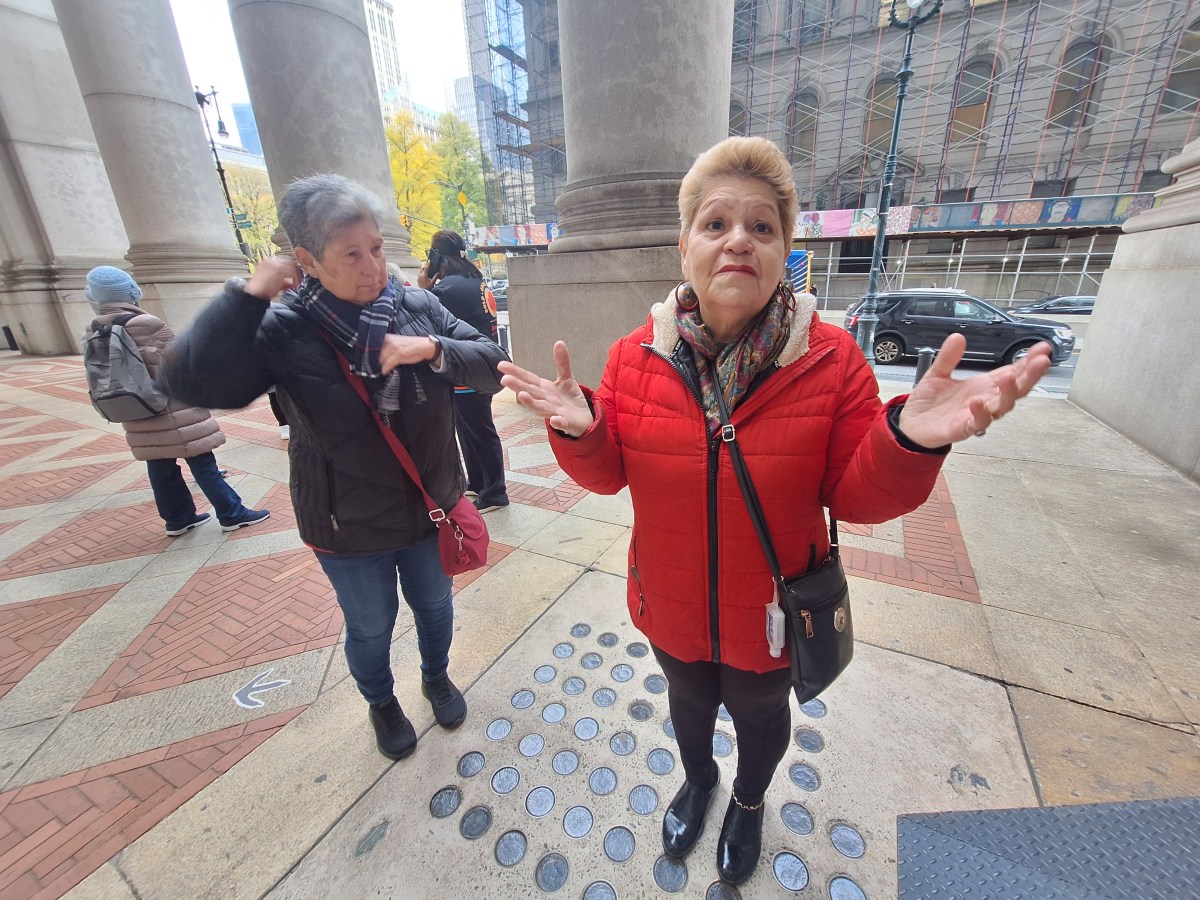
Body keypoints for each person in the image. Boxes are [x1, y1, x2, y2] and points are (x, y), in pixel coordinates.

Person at [498, 137, 1051, 885]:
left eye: (762, 228)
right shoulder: (634, 357)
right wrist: (582, 430)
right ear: (685, 246)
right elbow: (608, 478)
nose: (738, 241)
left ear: (785, 250)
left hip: (769, 614)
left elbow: (855, 495)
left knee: (760, 718)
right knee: (687, 703)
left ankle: (749, 803)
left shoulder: (831, 360)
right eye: (716, 223)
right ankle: (698, 783)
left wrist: (906, 442)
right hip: (671, 604)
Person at [160, 175, 508, 761]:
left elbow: (493, 362)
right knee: (370, 627)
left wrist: (433, 350)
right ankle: (381, 702)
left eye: (376, 248)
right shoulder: (284, 328)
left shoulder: (418, 306)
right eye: (352, 254)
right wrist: (246, 298)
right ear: (307, 262)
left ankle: (436, 676)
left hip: (432, 504)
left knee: (436, 606)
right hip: (347, 523)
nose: (373, 266)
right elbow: (192, 381)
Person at [82, 266, 270, 537]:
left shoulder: (95, 328)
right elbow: (181, 361)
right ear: (131, 291)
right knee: (202, 462)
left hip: (135, 409)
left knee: (159, 464)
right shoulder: (145, 323)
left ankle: (178, 519)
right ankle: (232, 513)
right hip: (172, 407)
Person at [418, 230, 509, 512]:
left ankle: (494, 491)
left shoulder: (446, 290)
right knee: (469, 426)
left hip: (467, 367)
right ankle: (479, 481)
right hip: (479, 364)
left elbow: (424, 320)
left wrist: (424, 289)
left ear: (437, 256)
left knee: (478, 428)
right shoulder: (472, 279)